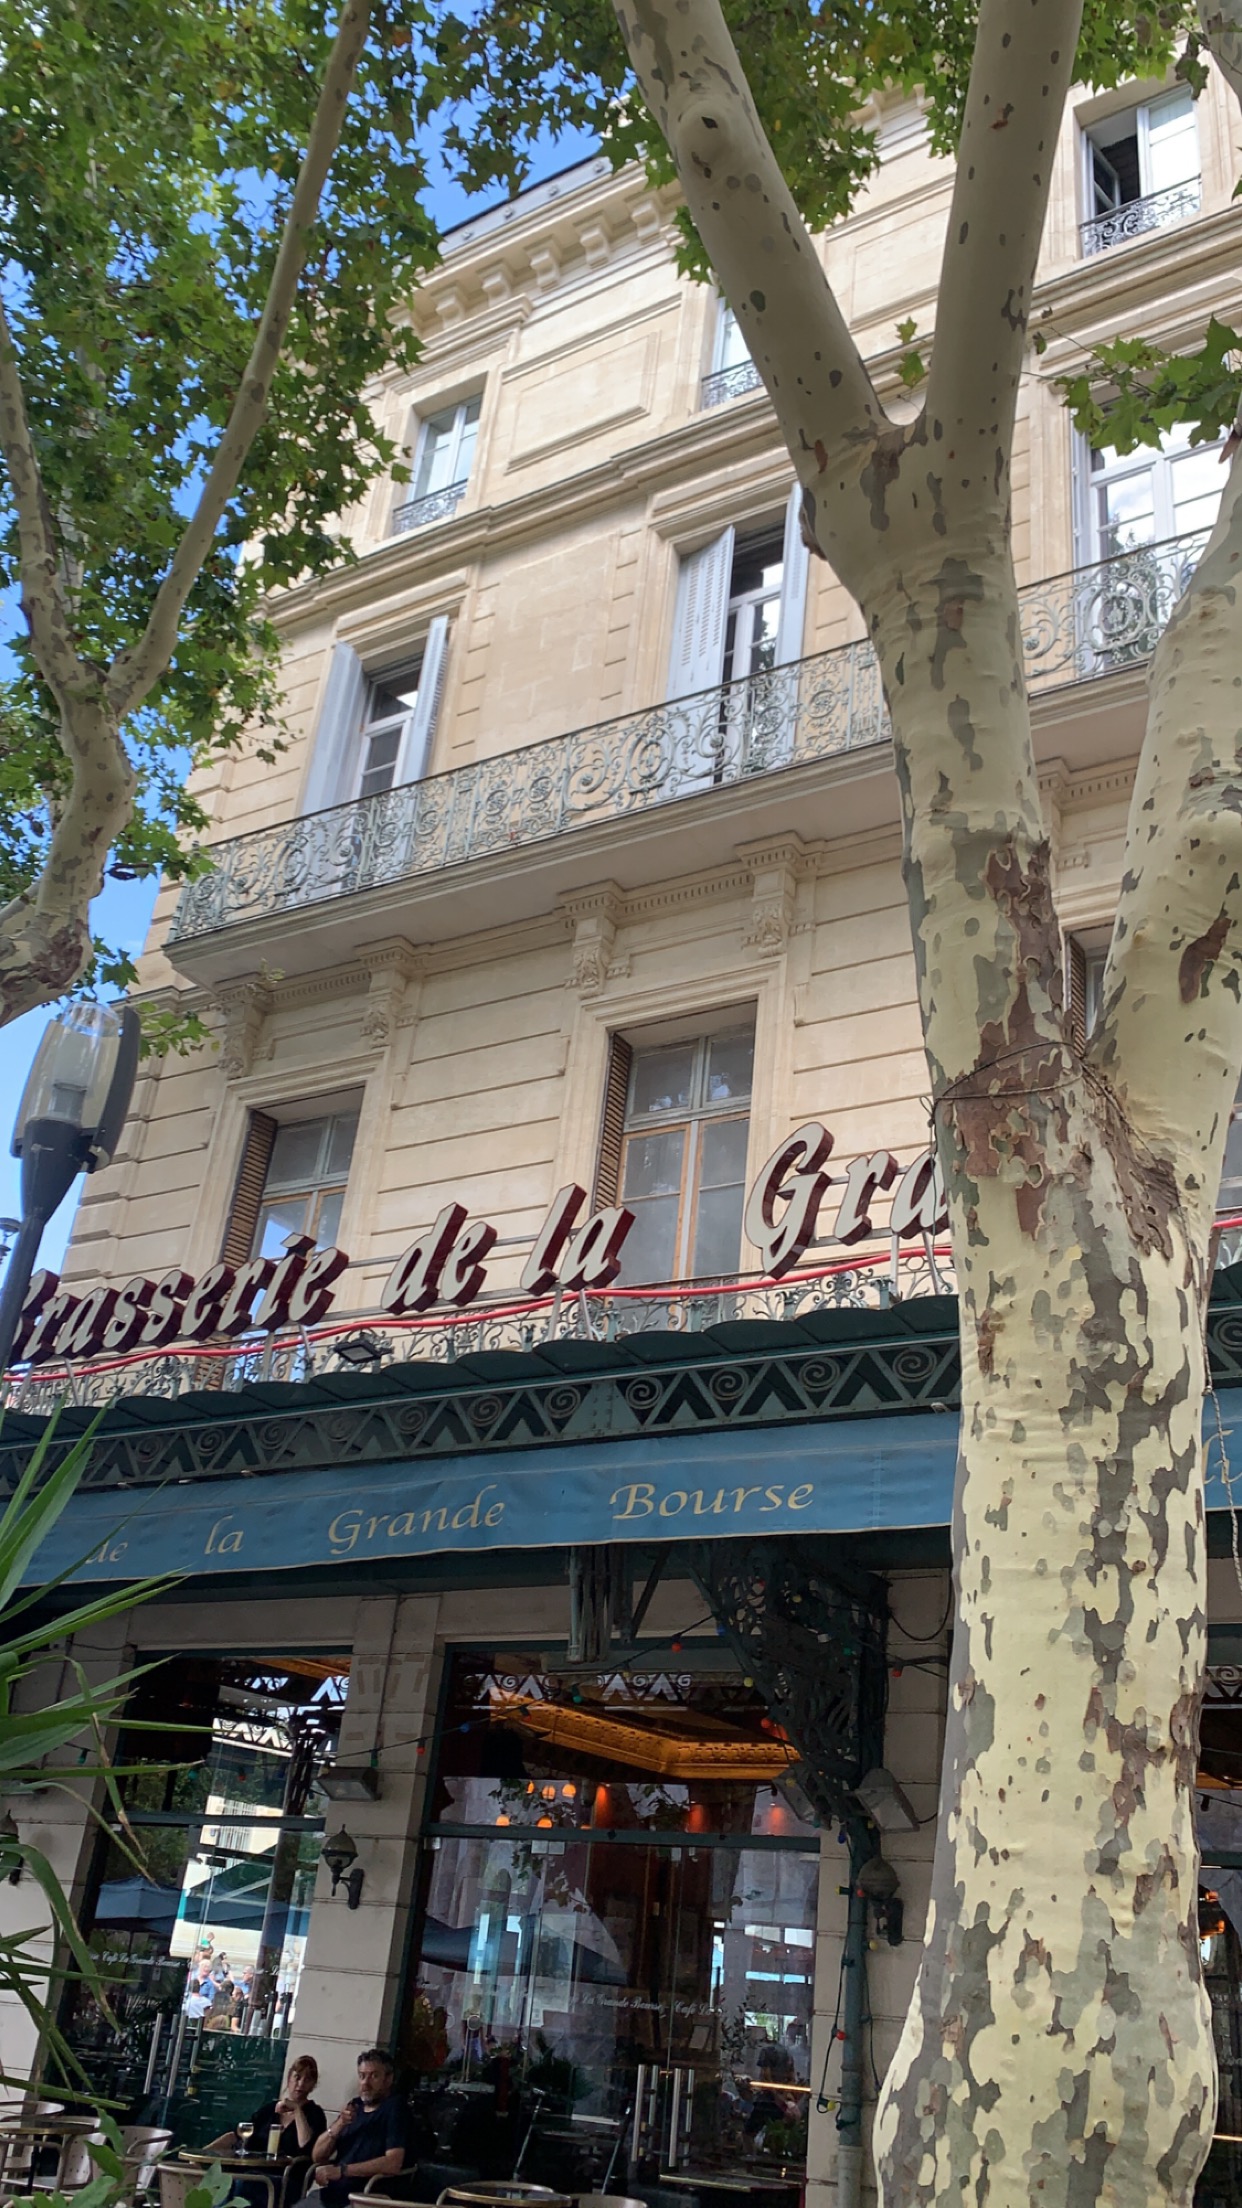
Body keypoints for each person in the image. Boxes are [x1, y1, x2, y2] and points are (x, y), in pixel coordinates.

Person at [301, 2049, 406, 2206]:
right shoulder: (355, 2105)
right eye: (362, 2076)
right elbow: (318, 2156)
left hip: (365, 2197)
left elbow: (393, 2163)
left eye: (374, 2076)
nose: (365, 2083)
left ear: (388, 2079)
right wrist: (339, 2124)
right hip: (333, 2194)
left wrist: (342, 2171)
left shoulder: (395, 2108)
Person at [205, 2055, 327, 2158]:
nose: (300, 2084)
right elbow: (237, 2135)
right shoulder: (270, 2109)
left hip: (286, 2173)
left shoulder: (315, 2114)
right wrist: (204, 2154)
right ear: (289, 2078)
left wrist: (297, 2109)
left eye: (307, 2080)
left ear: (313, 2084)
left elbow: (306, 2145)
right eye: (297, 2077)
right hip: (253, 2166)